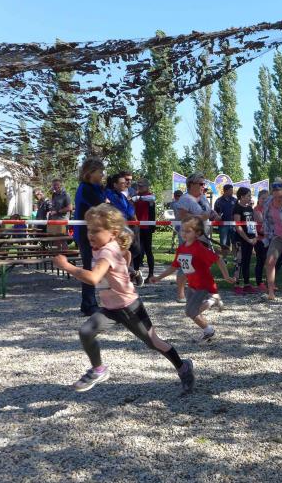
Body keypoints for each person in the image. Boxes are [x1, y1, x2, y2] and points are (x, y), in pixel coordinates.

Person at [52, 204, 194, 394]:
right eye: (89, 230)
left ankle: (183, 367)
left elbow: (93, 278)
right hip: (110, 308)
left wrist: (67, 267)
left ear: (112, 233)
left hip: (129, 307)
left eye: (96, 231)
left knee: (154, 342)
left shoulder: (107, 251)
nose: (90, 235)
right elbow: (125, 254)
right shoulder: (102, 247)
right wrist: (125, 268)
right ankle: (98, 369)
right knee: (85, 332)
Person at [150, 215, 235, 344]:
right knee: (193, 312)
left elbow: (218, 259)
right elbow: (174, 267)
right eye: (182, 230)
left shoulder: (199, 248)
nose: (184, 233)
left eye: (188, 231)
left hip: (204, 285)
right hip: (193, 285)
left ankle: (210, 318)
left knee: (191, 311)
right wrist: (158, 277)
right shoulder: (181, 248)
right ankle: (209, 326)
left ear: (198, 233)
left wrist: (226, 276)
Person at [175, 173, 220, 302]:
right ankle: (180, 294)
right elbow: (183, 216)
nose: (203, 186)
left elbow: (208, 211)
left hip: (202, 236)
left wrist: (215, 215)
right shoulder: (185, 198)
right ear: (191, 185)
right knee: (186, 265)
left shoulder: (203, 198)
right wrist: (200, 217)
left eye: (204, 184)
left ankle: (198, 291)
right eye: (201, 184)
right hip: (189, 237)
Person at [73, 159, 107, 316]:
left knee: (96, 267)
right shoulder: (86, 188)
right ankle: (88, 304)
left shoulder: (96, 188)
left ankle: (92, 302)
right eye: (100, 172)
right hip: (85, 233)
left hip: (94, 232)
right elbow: (102, 206)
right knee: (89, 268)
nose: (102, 175)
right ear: (90, 173)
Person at [106, 173, 144, 286]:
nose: (125, 184)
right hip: (114, 229)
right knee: (117, 254)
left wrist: (135, 223)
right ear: (115, 184)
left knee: (130, 252)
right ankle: (130, 274)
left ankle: (130, 274)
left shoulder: (122, 196)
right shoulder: (108, 194)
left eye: (125, 182)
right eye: (122, 183)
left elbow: (130, 211)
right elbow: (119, 211)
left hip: (126, 227)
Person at [231, 186, 262, 294]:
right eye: (248, 196)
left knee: (247, 261)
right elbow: (238, 226)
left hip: (250, 238)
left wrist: (255, 236)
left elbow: (252, 224)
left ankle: (247, 284)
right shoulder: (237, 208)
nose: (250, 198)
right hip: (240, 239)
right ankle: (236, 284)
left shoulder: (249, 208)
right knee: (239, 262)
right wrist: (247, 239)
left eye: (250, 196)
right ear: (242, 196)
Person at [132, 178, 156, 283]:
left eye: (141, 185)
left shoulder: (149, 196)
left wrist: (138, 198)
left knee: (148, 250)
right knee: (137, 251)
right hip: (137, 227)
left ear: (147, 186)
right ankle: (136, 274)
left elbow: (152, 199)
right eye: (138, 185)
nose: (139, 187)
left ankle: (151, 274)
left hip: (147, 227)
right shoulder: (136, 196)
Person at [214, 184, 237, 257]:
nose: (232, 192)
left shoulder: (235, 200)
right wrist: (218, 216)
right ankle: (225, 258)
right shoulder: (219, 201)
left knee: (234, 242)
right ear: (225, 191)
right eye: (231, 190)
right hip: (223, 226)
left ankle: (235, 258)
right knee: (224, 243)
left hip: (233, 225)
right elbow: (215, 213)